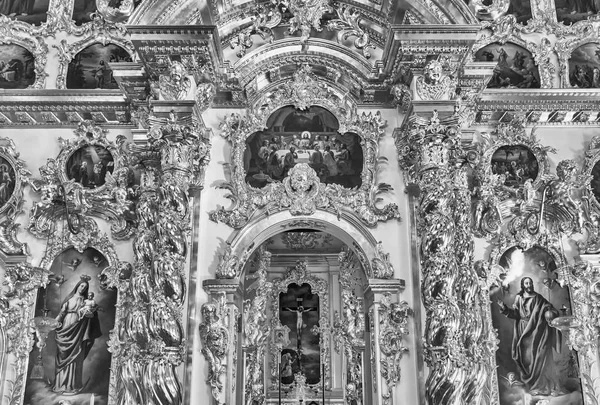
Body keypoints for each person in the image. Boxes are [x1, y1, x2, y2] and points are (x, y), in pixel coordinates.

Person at [496, 277, 564, 396]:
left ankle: (542, 386)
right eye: (527, 283)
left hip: (537, 330)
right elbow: (515, 314)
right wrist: (504, 308)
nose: (529, 285)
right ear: (523, 285)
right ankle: (532, 384)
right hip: (523, 330)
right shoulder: (519, 298)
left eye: (531, 283)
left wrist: (550, 312)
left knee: (539, 356)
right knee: (526, 358)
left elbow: (549, 309)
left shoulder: (538, 298)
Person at [53, 278, 102, 393]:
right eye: (81, 286)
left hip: (80, 328)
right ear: (77, 286)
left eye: (85, 287)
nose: (83, 288)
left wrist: (92, 314)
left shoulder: (86, 301)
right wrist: (53, 324)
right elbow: (61, 314)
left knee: (77, 354)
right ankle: (60, 385)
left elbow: (92, 313)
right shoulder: (69, 300)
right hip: (67, 325)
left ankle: (72, 386)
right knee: (63, 353)